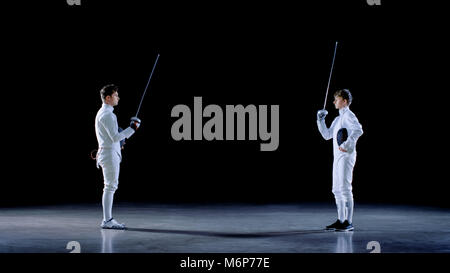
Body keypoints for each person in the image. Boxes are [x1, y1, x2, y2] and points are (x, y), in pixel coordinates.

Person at [95, 84, 141, 229]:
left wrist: (122, 139)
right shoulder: (108, 114)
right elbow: (115, 137)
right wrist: (133, 128)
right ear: (108, 98)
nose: (118, 98)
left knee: (110, 186)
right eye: (115, 95)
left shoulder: (105, 113)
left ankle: (107, 220)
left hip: (108, 152)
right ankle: (107, 221)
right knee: (110, 186)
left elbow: (112, 137)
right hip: (109, 155)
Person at [317, 89, 363, 231]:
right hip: (337, 157)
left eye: (336, 99)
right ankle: (340, 220)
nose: (334, 102)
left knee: (345, 188)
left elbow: (358, 130)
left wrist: (347, 144)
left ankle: (348, 222)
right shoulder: (337, 119)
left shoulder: (349, 115)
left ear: (344, 101)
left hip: (346, 156)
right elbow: (326, 135)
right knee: (336, 189)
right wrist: (320, 120)